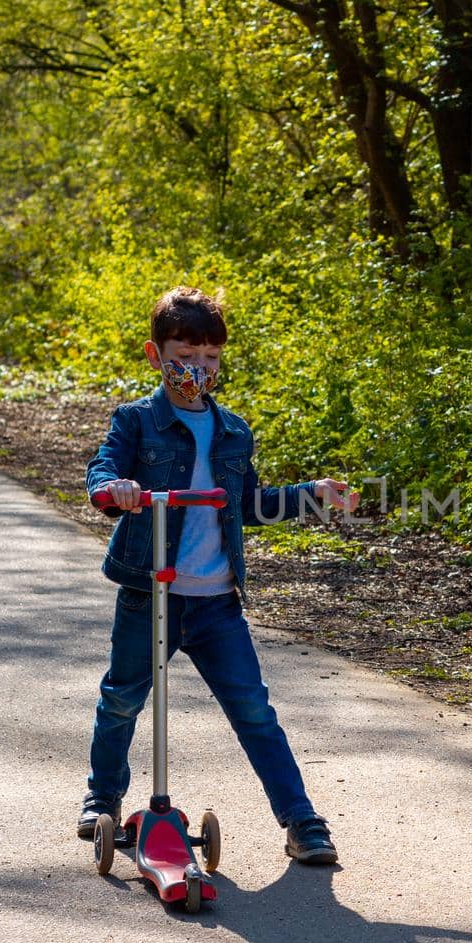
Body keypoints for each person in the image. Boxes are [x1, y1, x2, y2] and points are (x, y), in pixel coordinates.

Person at [81, 285, 358, 864]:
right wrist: (118, 490)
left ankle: (301, 821)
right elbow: (102, 472)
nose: (198, 368)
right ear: (157, 357)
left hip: (215, 599)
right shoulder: (136, 421)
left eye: (210, 357)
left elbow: (248, 503)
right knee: (123, 699)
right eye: (185, 355)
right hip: (149, 592)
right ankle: (102, 798)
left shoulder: (232, 430)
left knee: (254, 709)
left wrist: (311, 495)